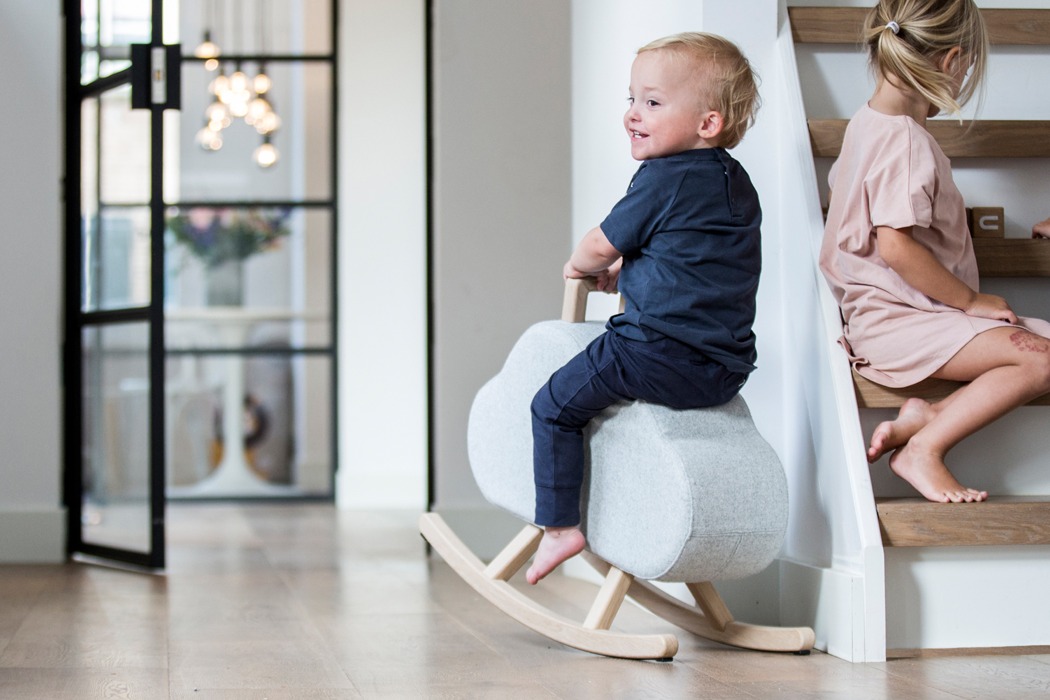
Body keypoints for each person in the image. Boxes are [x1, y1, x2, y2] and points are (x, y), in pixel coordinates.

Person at [526, 32, 762, 585]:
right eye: (630, 99)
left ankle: (560, 528)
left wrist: (582, 265)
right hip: (725, 369)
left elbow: (598, 243)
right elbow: (698, 262)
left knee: (552, 406)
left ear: (707, 123)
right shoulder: (736, 183)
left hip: (654, 354)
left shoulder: (663, 178)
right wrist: (631, 272)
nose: (633, 114)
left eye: (652, 103)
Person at [819, 0, 1050, 505]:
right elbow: (896, 246)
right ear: (950, 62)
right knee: (1044, 362)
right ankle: (925, 447)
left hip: (893, 319)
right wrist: (969, 298)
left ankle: (930, 417)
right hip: (900, 323)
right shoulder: (906, 143)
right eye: (967, 67)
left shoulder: (869, 123)